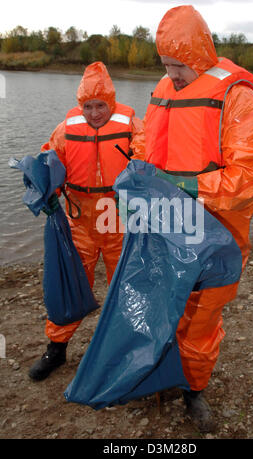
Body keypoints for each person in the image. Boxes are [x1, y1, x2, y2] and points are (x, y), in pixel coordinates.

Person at [140, 5, 253, 432]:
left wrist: (189, 187)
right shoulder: (165, 88)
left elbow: (252, 176)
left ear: (198, 57)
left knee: (201, 318)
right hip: (165, 227)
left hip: (217, 233)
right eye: (166, 66)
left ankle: (194, 391)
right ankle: (157, 377)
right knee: (163, 309)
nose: (173, 75)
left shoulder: (240, 100)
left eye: (178, 66)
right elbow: (147, 145)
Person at [29, 61, 144, 381]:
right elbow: (49, 158)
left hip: (118, 221)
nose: (94, 113)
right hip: (79, 222)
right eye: (88, 106)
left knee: (127, 287)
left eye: (101, 106)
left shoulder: (132, 124)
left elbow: (148, 157)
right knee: (68, 285)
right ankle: (56, 348)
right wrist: (41, 182)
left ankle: (129, 347)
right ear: (81, 105)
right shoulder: (66, 129)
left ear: (112, 102)